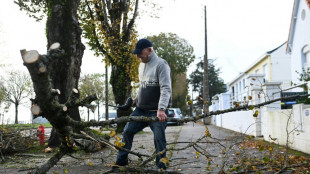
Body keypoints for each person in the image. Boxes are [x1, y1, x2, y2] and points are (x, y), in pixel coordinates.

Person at [114, 38, 172, 170]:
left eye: (140, 53)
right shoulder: (142, 65)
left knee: (159, 138)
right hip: (140, 109)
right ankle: (121, 163)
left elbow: (166, 88)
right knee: (127, 131)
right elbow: (143, 87)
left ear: (150, 50)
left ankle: (161, 167)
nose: (138, 56)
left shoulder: (161, 65)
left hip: (156, 112)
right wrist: (134, 101)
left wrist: (161, 109)